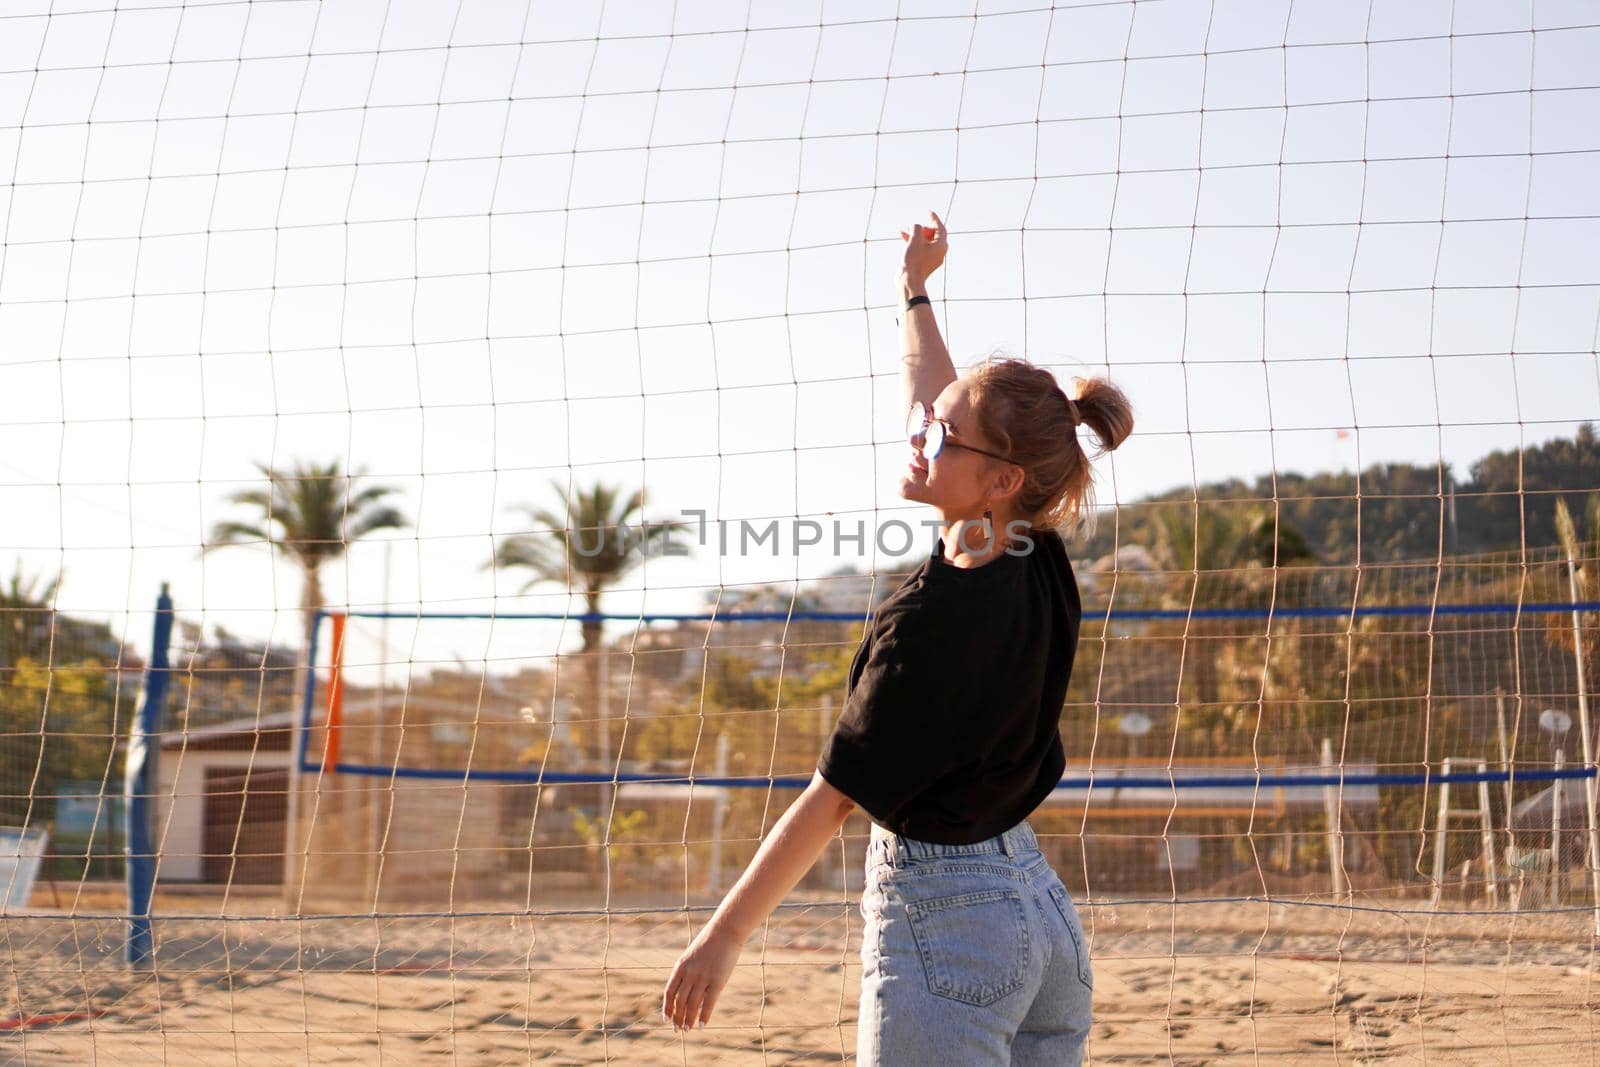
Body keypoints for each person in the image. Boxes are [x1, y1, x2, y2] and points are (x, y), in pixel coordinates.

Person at [662, 210, 1133, 1065]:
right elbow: (945, 396)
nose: (919, 435)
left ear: (999, 479)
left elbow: (834, 796)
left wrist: (725, 936)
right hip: (1042, 918)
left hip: (950, 925)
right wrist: (915, 292)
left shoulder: (931, 622)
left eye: (939, 436)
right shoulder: (1033, 546)